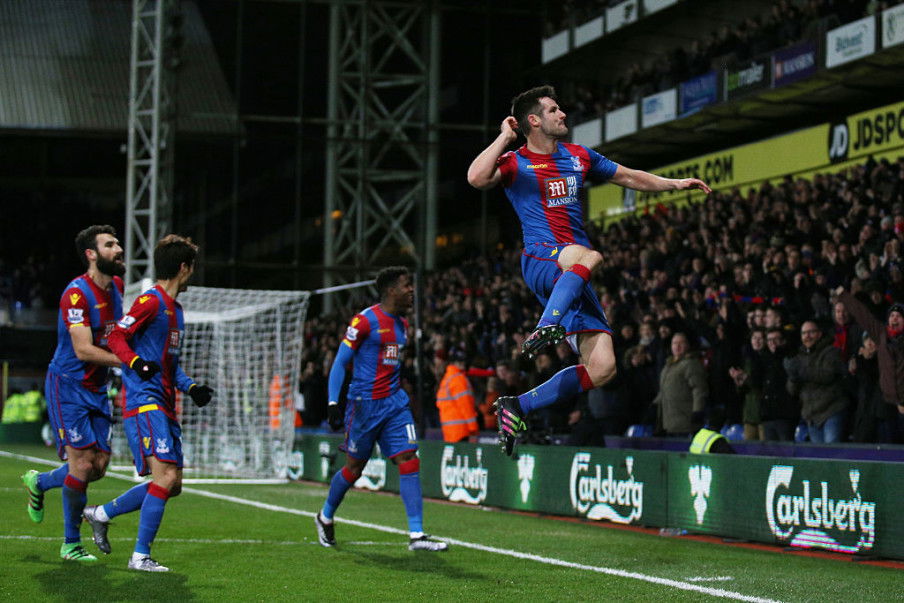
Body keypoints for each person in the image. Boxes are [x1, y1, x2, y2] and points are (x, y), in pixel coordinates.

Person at [466, 85, 710, 456]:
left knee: (604, 367)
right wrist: (503, 136)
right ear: (533, 120)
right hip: (543, 258)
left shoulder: (579, 156)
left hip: (571, 274)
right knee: (590, 257)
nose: (562, 114)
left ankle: (518, 406)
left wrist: (674, 184)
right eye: (553, 110)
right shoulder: (516, 161)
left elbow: (629, 176)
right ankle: (547, 325)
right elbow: (476, 178)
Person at [82, 235, 214, 572]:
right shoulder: (150, 301)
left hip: (165, 401)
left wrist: (191, 386)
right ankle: (140, 555)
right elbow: (116, 337)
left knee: (173, 484)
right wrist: (135, 362)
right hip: (144, 401)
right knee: (165, 477)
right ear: (183, 268)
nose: (193, 272)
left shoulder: (177, 311)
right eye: (192, 266)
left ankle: (101, 514)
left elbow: (168, 364)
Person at [314, 267, 448, 552]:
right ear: (390, 291)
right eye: (406, 285)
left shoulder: (403, 324)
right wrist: (333, 402)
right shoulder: (365, 321)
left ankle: (417, 535)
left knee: (409, 459)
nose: (412, 290)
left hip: (395, 403)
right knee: (354, 469)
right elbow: (340, 362)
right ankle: (325, 516)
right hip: (364, 405)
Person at [20, 225, 124, 563]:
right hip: (68, 385)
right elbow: (83, 349)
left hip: (98, 387)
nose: (119, 248)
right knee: (81, 464)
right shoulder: (76, 294)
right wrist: (130, 362)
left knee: (98, 466)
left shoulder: (118, 288)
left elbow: (117, 337)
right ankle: (70, 544)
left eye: (118, 242)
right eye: (110, 245)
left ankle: (39, 482)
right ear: (92, 255)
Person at [836, 287, 904, 442]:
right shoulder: (882, 335)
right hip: (888, 407)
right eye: (892, 315)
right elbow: (863, 315)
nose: (895, 318)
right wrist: (843, 295)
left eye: (899, 316)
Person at [783, 320, 849, 443]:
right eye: (804, 333)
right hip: (811, 416)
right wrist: (793, 377)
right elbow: (792, 390)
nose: (807, 336)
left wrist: (800, 371)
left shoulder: (831, 351)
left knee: (832, 456)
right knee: (818, 458)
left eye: (811, 332)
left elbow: (827, 375)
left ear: (819, 334)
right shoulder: (798, 356)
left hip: (832, 411)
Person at [651, 332, 708, 438]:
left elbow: (699, 389)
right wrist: (655, 405)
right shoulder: (668, 365)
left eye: (681, 343)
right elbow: (664, 389)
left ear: (687, 345)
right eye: (674, 343)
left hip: (685, 421)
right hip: (668, 422)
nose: (677, 346)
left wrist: (697, 411)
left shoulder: (691, 364)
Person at [435, 349, 479, 442]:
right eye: (460, 361)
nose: (463, 363)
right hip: (462, 431)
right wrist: (473, 429)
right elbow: (465, 406)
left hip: (450, 432)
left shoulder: (447, 379)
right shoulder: (458, 379)